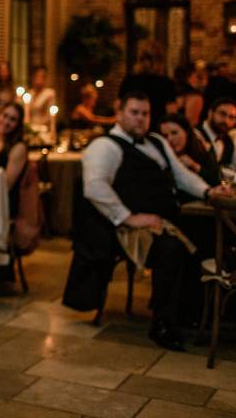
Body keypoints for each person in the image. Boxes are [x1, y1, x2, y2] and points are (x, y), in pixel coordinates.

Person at [74, 91, 225, 350]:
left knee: (209, 234)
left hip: (165, 218)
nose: (141, 119)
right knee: (171, 248)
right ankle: (163, 322)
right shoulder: (105, 146)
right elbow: (94, 187)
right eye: (134, 113)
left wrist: (208, 192)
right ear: (119, 113)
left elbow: (180, 175)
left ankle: (193, 313)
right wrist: (128, 217)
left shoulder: (156, 141)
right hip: (124, 228)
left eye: (145, 114)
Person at [159, 114, 221, 198]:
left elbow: (216, 180)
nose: (170, 139)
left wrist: (195, 166)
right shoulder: (161, 158)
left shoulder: (201, 150)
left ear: (186, 132)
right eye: (165, 136)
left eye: (174, 133)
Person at [119, 43, 176, 129]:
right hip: (157, 129)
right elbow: (171, 112)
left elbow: (118, 105)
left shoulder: (130, 79)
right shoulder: (166, 82)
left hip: (131, 127)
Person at [0, 102, 28, 218]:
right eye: (5, 116)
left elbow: (7, 185)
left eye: (12, 119)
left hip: (4, 202)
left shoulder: (18, 148)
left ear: (18, 125)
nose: (6, 122)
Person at [195, 96, 236, 166]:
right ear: (210, 113)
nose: (226, 121)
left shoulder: (228, 142)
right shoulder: (195, 135)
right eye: (222, 114)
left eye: (231, 117)